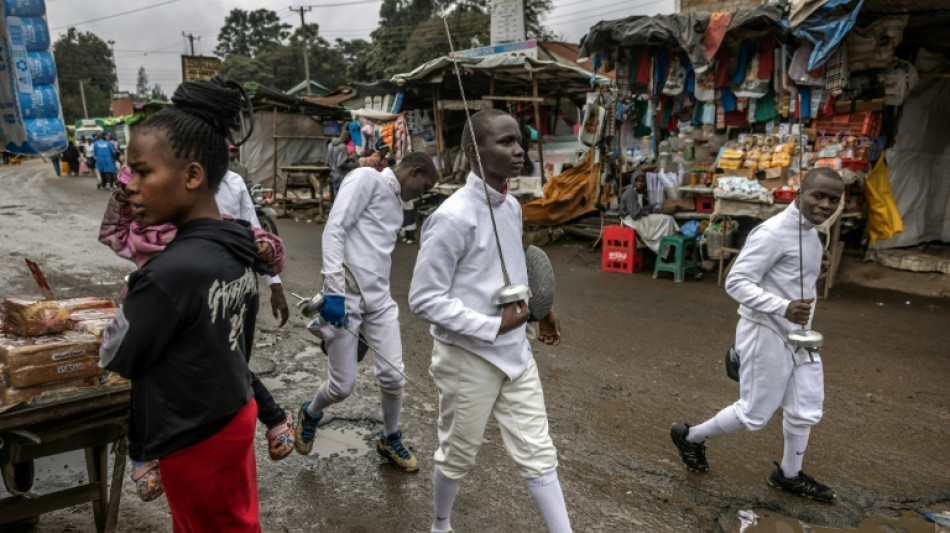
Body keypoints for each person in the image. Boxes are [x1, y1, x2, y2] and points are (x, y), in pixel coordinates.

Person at [98, 77, 268, 531]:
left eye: (142, 171)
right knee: (234, 521)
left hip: (191, 432)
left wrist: (131, 302)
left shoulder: (166, 274)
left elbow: (117, 356)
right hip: (231, 412)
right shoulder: (239, 246)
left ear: (192, 176)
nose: (129, 185)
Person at [409, 109, 571, 533]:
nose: (518, 150)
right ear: (472, 151)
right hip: (467, 355)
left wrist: (541, 306)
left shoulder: (512, 205)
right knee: (458, 454)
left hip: (516, 351)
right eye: (504, 142)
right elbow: (423, 298)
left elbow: (512, 267)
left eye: (518, 140)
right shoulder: (451, 217)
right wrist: (490, 326)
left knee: (539, 451)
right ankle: (440, 525)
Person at [670, 168, 845, 503]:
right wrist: (782, 306)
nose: (825, 205)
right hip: (764, 330)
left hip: (799, 335)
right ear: (799, 193)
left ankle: (788, 475)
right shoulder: (774, 232)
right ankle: (690, 437)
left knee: (805, 407)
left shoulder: (811, 233)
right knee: (754, 414)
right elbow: (736, 282)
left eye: (833, 200)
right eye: (818, 196)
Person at [294, 151, 439, 473]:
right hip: (346, 298)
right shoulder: (366, 178)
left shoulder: (397, 203)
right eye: (425, 185)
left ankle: (390, 437)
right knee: (341, 387)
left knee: (393, 375)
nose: (423, 193)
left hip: (380, 301)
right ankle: (311, 412)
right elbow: (334, 230)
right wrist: (333, 291)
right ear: (414, 171)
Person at [618, 171, 680, 253]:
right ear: (633, 181)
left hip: (637, 217)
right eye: (638, 181)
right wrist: (645, 211)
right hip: (630, 220)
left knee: (666, 219)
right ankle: (665, 250)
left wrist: (650, 209)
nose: (640, 183)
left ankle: (667, 248)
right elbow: (634, 214)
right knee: (666, 220)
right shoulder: (631, 192)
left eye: (642, 181)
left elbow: (639, 208)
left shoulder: (638, 191)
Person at [327, 129, 351, 195]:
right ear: (346, 137)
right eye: (349, 139)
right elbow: (341, 164)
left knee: (336, 197)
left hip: (333, 174)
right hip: (340, 176)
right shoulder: (342, 147)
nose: (349, 142)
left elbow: (328, 160)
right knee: (341, 197)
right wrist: (352, 165)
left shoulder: (330, 144)